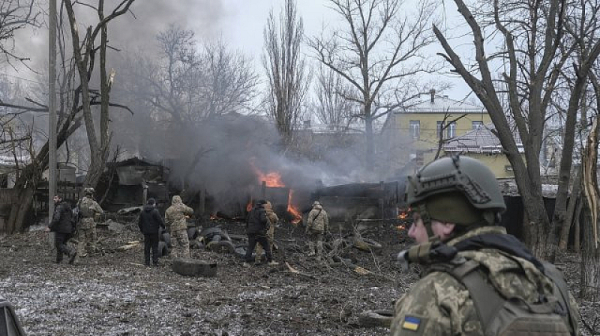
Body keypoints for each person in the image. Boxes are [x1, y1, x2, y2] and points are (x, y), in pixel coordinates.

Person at [390, 155, 580, 336]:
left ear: (447, 222)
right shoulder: (553, 285)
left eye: (417, 221)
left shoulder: (435, 292)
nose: (411, 232)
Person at [73, 187, 104, 264]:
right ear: (92, 194)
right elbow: (101, 212)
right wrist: (96, 216)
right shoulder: (93, 203)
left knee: (81, 241)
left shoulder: (80, 202)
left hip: (81, 223)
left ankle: (77, 259)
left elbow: (76, 211)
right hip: (90, 223)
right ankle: (92, 259)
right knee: (92, 240)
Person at [244, 200, 278, 267]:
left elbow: (247, 220)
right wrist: (266, 225)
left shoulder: (252, 210)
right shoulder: (262, 210)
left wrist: (248, 229)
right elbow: (263, 220)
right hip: (259, 232)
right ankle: (270, 261)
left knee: (250, 247)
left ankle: (246, 263)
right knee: (267, 246)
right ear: (263, 205)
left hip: (251, 232)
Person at [46, 195, 77, 264]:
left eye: (56, 198)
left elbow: (56, 218)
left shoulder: (59, 207)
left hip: (61, 229)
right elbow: (73, 218)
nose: (54, 199)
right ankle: (59, 261)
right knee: (61, 244)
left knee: (58, 244)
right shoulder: (68, 207)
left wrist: (49, 227)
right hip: (69, 229)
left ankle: (71, 251)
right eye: (54, 198)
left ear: (60, 199)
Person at [138, 198, 165, 266]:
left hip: (146, 233)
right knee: (154, 247)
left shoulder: (142, 212)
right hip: (154, 232)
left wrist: (142, 230)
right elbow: (160, 220)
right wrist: (163, 226)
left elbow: (139, 223)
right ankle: (155, 262)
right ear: (153, 204)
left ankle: (147, 263)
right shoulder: (155, 211)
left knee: (147, 247)